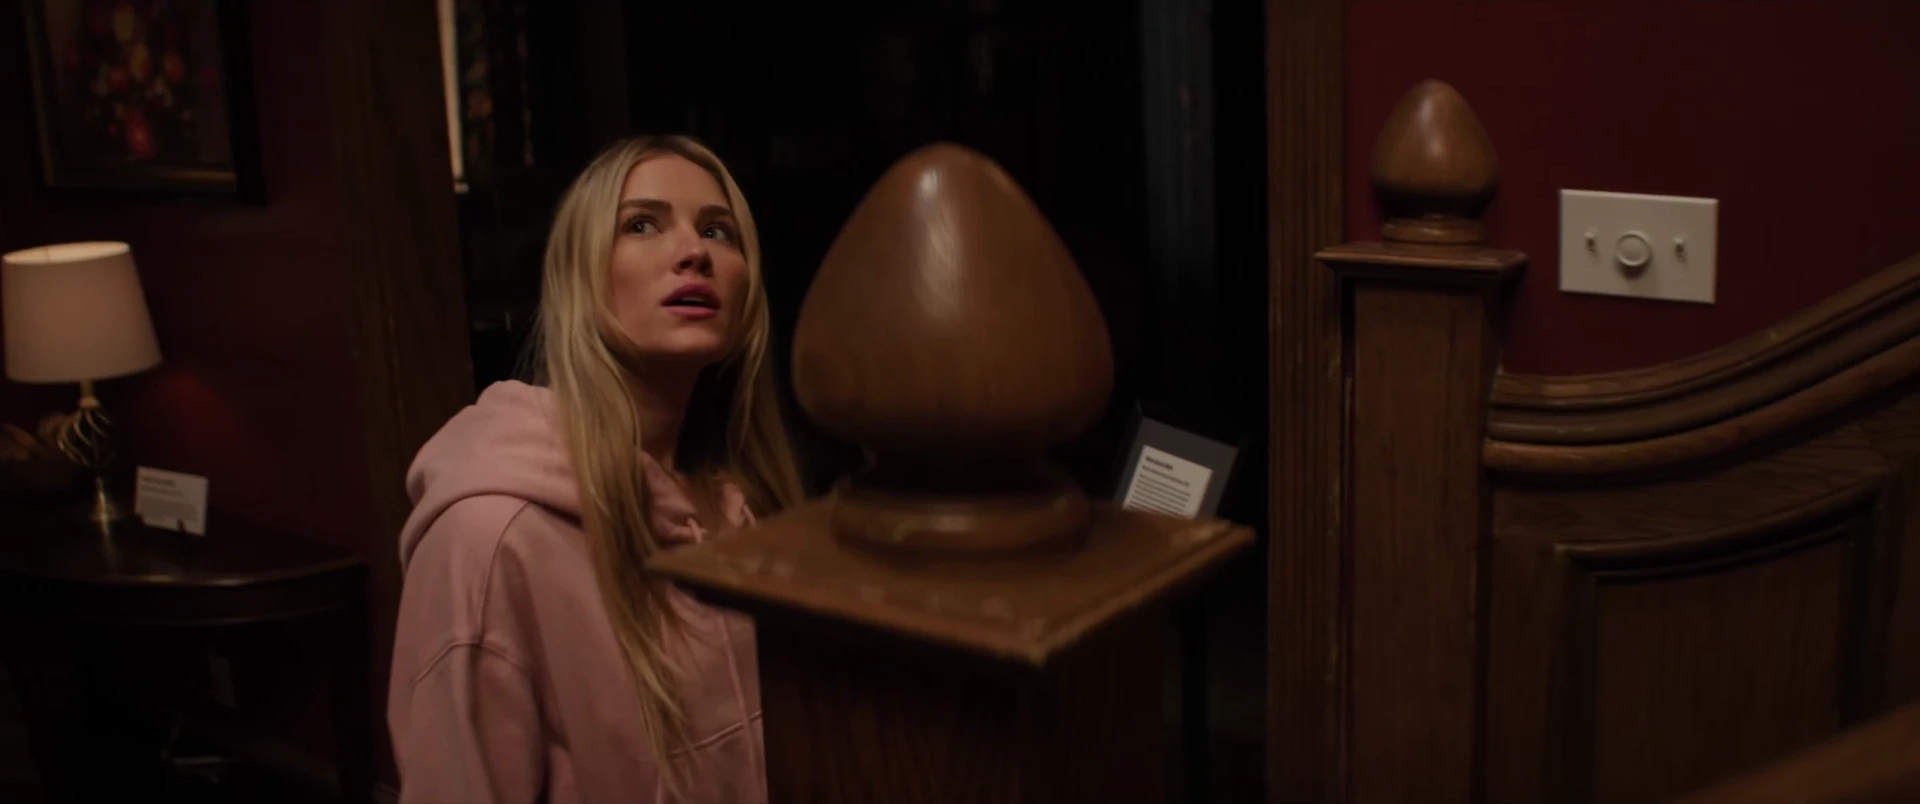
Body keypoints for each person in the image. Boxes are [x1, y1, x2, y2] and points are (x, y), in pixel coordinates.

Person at [388, 135, 805, 803]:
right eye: (641, 224)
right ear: (579, 277)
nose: (694, 251)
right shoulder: (488, 538)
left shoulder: (741, 503)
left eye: (717, 231)